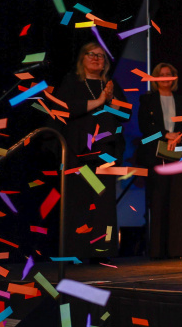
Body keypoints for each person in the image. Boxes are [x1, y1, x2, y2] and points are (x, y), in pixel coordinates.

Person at [52, 41, 126, 262]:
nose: (96, 59)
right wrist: (101, 100)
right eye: (91, 55)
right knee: (81, 201)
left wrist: (111, 100)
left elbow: (126, 115)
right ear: (82, 59)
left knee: (104, 203)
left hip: (105, 153)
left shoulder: (111, 84)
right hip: (80, 152)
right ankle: (79, 251)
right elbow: (65, 109)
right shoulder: (72, 82)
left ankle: (104, 250)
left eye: (101, 56)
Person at [137, 62, 182, 259]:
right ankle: (157, 251)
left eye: (170, 74)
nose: (166, 77)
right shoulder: (147, 100)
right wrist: (165, 135)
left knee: (178, 201)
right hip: (157, 154)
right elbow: (144, 130)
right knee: (158, 201)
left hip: (180, 152)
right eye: (162, 75)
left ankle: (177, 250)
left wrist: (179, 136)